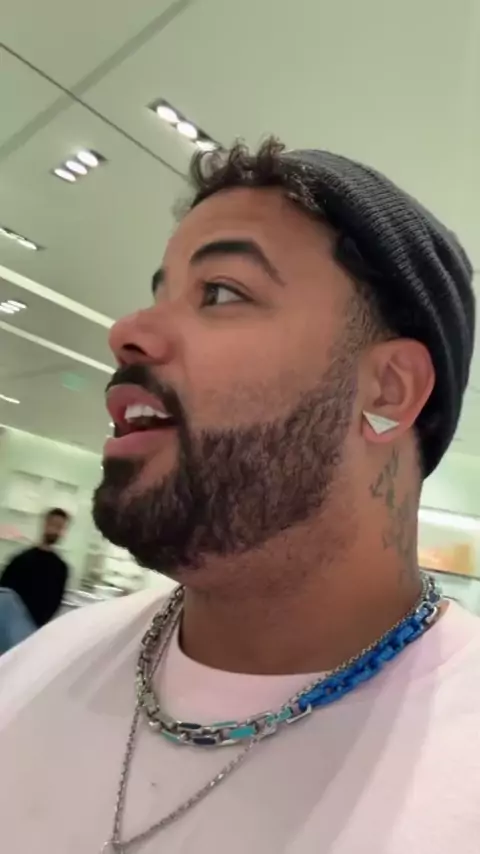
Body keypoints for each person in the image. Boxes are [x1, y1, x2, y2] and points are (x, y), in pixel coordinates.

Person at [0, 139, 479, 854]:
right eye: (159, 293)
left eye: (221, 292)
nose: (126, 331)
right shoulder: (36, 672)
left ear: (388, 390)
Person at [0, 507, 69, 628]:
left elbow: (55, 603)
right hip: (9, 625)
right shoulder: (21, 560)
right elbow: (4, 591)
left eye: (60, 527)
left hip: (35, 628)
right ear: (45, 524)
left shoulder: (61, 568)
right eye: (53, 525)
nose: (55, 530)